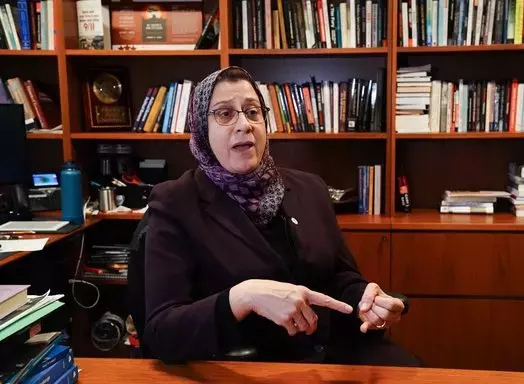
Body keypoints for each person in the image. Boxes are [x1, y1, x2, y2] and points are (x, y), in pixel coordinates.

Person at [143, 66, 420, 366]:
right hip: (249, 367)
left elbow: (340, 277)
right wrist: (241, 298)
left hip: (335, 354)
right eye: (224, 114)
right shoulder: (175, 202)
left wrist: (367, 300)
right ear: (201, 127)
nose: (244, 125)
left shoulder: (310, 187)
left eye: (252, 112)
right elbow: (162, 333)